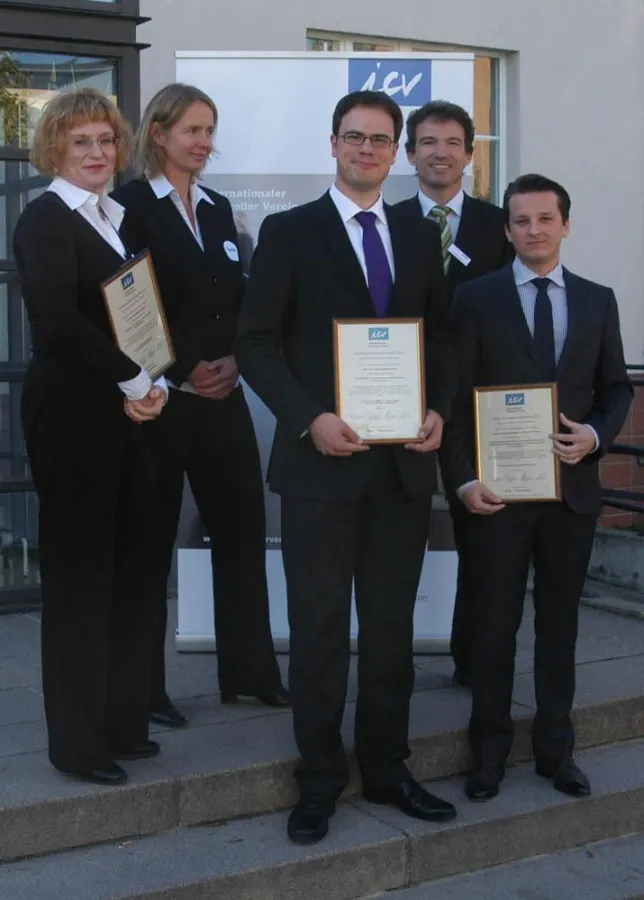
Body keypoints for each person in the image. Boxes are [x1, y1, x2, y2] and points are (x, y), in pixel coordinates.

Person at [236, 90, 457, 845]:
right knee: (322, 628)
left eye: (381, 140)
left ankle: (389, 769)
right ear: (332, 144)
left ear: (396, 152)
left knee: (391, 628)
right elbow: (257, 342)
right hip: (320, 469)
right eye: (355, 137)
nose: (367, 150)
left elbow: (443, 340)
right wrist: (310, 419)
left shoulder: (418, 236)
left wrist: (439, 410)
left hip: (400, 471)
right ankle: (321, 779)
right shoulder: (289, 231)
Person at [441, 173, 632, 802]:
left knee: (559, 629)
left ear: (565, 225)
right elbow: (457, 401)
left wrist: (597, 437)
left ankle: (557, 751)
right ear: (508, 229)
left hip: (571, 494)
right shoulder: (475, 298)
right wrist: (463, 480)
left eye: (545, 220)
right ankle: (488, 755)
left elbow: (616, 388)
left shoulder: (598, 299)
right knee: (493, 630)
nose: (533, 230)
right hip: (497, 495)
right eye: (521, 221)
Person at [114, 83, 288, 729]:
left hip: (225, 399)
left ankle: (250, 674)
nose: (204, 142)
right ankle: (145, 689)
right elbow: (130, 307)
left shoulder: (218, 209)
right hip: (161, 403)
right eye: (192, 129)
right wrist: (183, 368)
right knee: (148, 544)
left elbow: (243, 300)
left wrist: (237, 360)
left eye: (210, 129)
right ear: (159, 134)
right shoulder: (128, 208)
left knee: (241, 534)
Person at [13, 87, 167, 785]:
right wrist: (136, 380)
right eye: (82, 143)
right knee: (80, 577)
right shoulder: (45, 218)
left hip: (128, 408)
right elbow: (58, 323)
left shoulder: (119, 217)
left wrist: (151, 378)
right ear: (55, 149)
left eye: (106, 141)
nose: (98, 154)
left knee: (133, 568)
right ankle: (76, 744)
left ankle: (122, 722)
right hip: (74, 412)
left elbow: (134, 316)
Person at [395, 100, 514, 687]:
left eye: (450, 142)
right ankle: (394, 662)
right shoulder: (384, 222)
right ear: (409, 152)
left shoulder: (502, 226)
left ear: (469, 153)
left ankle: (474, 660)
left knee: (484, 544)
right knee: (396, 537)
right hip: (401, 409)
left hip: (479, 410)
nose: (438, 152)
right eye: (426, 142)